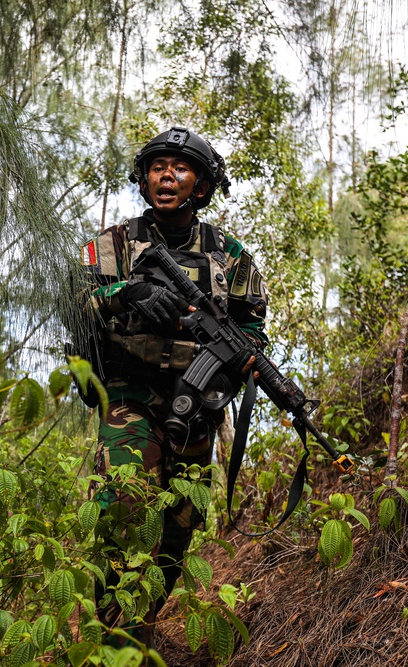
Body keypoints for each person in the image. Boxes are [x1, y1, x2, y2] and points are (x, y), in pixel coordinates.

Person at [77, 126, 269, 647]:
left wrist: (237, 364)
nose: (167, 175)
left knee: (179, 527)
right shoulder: (112, 244)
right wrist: (126, 292)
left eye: (181, 168)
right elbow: (78, 308)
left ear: (202, 187)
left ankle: (137, 632)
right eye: (157, 166)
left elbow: (253, 331)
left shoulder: (231, 257)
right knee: (124, 508)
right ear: (144, 180)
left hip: (197, 404)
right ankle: (107, 636)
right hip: (129, 393)